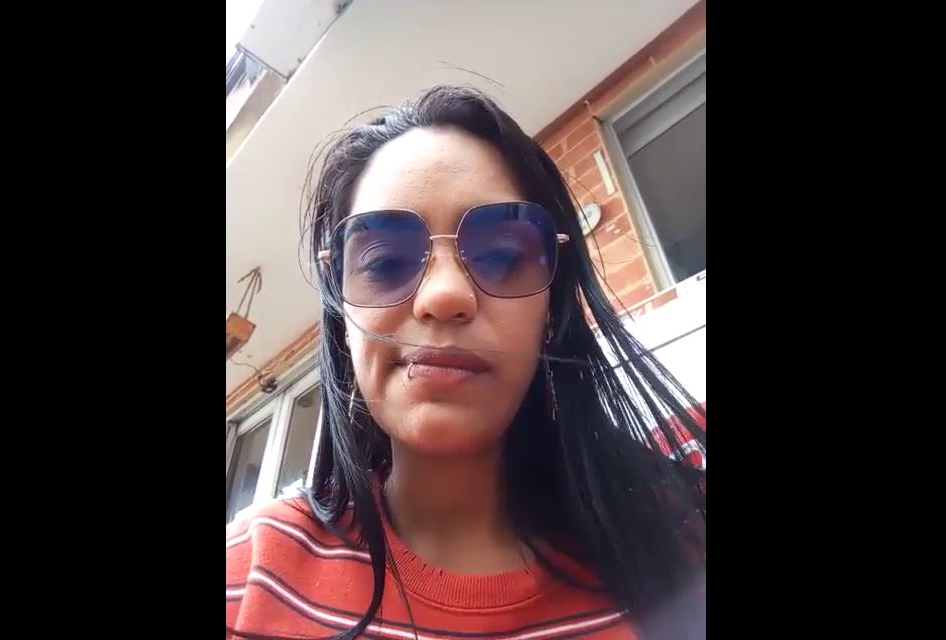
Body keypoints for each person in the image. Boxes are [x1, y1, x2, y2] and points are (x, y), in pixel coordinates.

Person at [226, 85, 706, 639]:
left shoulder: (682, 527)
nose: (445, 296)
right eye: (384, 263)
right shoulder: (247, 579)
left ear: (551, 311)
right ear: (342, 321)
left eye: (502, 256)